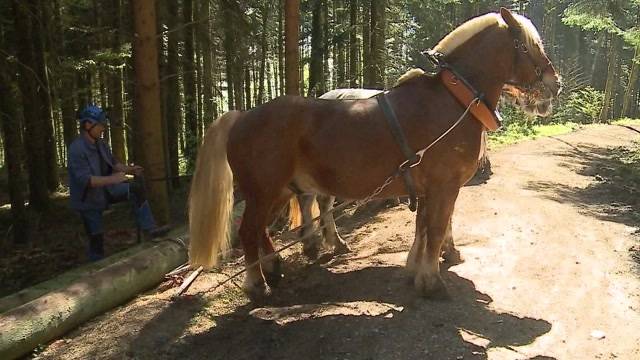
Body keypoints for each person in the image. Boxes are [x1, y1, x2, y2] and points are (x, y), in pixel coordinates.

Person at [68, 104, 169, 261]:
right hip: (88, 201)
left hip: (107, 191)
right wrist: (114, 179)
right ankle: (95, 272)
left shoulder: (101, 144)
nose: (103, 128)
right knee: (96, 240)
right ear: (88, 125)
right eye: (100, 125)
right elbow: (86, 181)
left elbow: (113, 164)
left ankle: (149, 230)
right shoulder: (76, 149)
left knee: (136, 189)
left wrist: (130, 169)